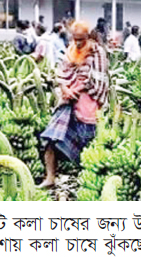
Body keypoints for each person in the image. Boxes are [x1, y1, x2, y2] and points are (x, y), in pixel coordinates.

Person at [39, 21, 109, 188]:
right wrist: (65, 88)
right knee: (51, 138)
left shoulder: (97, 52)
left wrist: (75, 90)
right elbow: (62, 73)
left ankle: (87, 181)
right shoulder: (71, 50)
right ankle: (50, 177)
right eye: (75, 38)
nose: (77, 42)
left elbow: (97, 79)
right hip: (67, 103)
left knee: (86, 144)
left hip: (87, 102)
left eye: (81, 39)